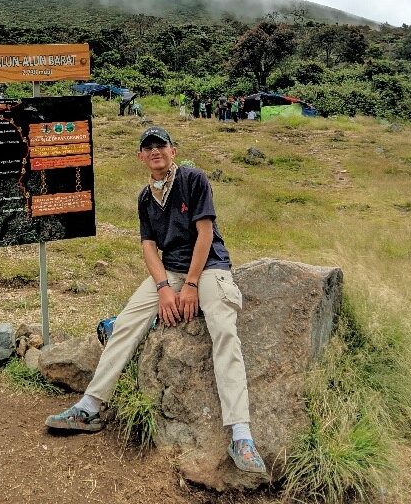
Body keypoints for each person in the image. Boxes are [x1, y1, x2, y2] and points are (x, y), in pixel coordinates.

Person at [45, 126, 267, 475]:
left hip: (207, 267)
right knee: (127, 321)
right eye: (147, 148)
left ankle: (240, 432)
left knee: (223, 330)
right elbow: (149, 246)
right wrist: (164, 288)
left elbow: (205, 232)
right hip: (170, 271)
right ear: (140, 157)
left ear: (172, 150)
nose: (154, 152)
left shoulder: (193, 179)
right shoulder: (145, 197)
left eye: (160, 146)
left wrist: (190, 285)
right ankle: (91, 405)